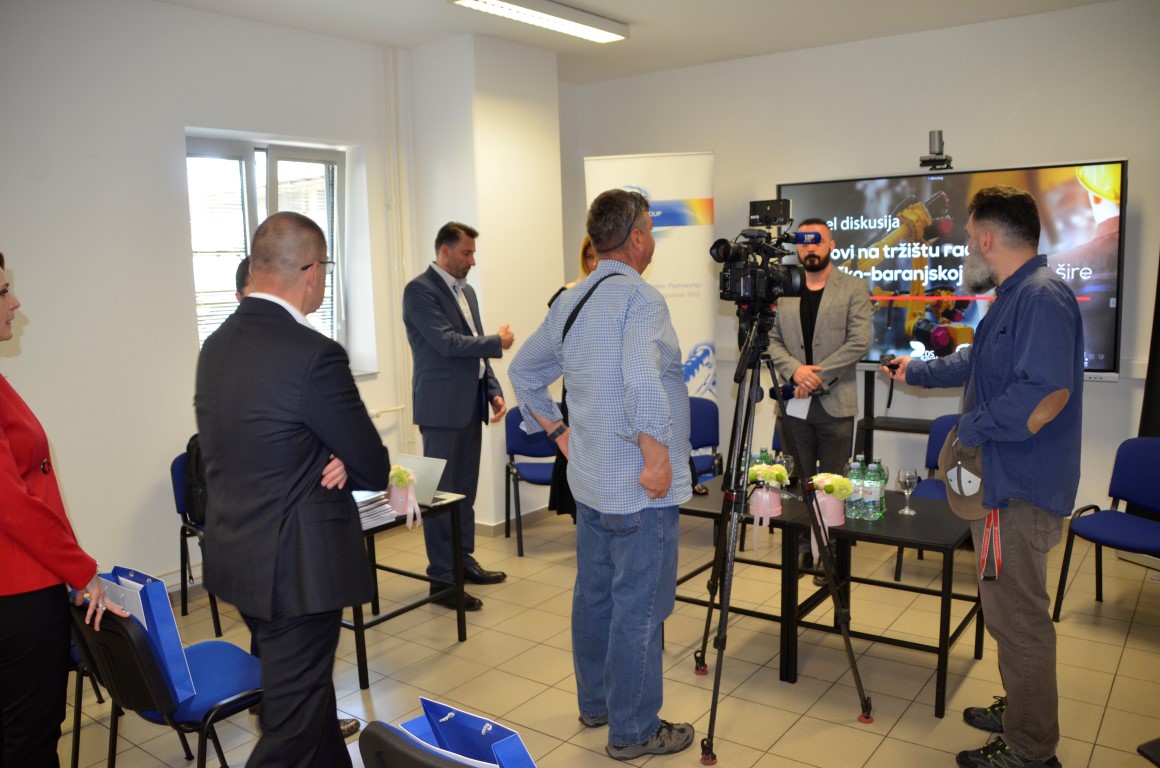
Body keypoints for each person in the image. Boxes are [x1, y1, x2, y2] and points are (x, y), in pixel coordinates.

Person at [884, 186, 1081, 768]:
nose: (967, 246)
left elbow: (1041, 395)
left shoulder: (1041, 297)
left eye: (971, 237)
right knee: (1005, 612)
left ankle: (1030, 748)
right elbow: (979, 361)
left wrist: (968, 429)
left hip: (1015, 487)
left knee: (1019, 618)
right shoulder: (1015, 295)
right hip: (1002, 484)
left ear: (989, 238)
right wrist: (919, 371)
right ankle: (1021, 709)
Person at [195, 213, 390, 768]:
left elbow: (256, 445)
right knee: (292, 732)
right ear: (313, 271)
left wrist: (329, 452)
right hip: (299, 576)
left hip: (242, 562)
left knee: (311, 704)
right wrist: (340, 455)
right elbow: (372, 465)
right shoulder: (313, 354)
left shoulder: (216, 345)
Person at [508, 189, 695, 761]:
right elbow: (641, 381)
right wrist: (657, 462)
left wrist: (559, 435)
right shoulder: (642, 299)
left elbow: (523, 371)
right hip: (639, 488)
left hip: (592, 482)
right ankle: (634, 731)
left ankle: (596, 705)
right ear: (636, 238)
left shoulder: (573, 299)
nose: (652, 238)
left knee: (595, 597)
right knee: (639, 607)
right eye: (650, 229)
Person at [1, 250, 128, 767]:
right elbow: (12, 504)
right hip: (18, 595)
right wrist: (81, 569)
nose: (15, 302)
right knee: (30, 740)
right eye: (2, 292)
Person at [232, 254, 362, 742]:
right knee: (291, 665)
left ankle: (306, 719)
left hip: (269, 539)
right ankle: (290, 717)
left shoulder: (279, 347)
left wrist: (340, 453)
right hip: (279, 541)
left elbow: (308, 428)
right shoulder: (253, 355)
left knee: (298, 660)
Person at [402, 222, 513, 611]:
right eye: (467, 253)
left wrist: (492, 390)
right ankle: (442, 579)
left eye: (473, 253)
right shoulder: (419, 290)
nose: (472, 261)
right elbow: (447, 343)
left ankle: (463, 562)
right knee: (438, 497)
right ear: (445, 251)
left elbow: (475, 354)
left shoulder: (467, 292)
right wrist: (497, 341)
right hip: (440, 409)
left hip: (470, 404)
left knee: (463, 492)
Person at [767, 218, 871, 575]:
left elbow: (859, 342)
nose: (810, 247)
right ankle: (802, 550)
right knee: (797, 482)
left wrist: (815, 377)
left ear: (831, 245)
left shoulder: (853, 287)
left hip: (835, 403)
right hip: (793, 404)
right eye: (803, 242)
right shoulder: (782, 288)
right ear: (797, 247)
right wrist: (795, 371)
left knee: (833, 483)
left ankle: (831, 555)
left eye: (817, 241)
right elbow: (770, 340)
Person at [545, 235, 599, 519]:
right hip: (578, 387)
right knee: (577, 451)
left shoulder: (622, 293)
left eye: (598, 256)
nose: (594, 263)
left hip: (607, 388)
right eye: (589, 257)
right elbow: (554, 346)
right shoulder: (567, 294)